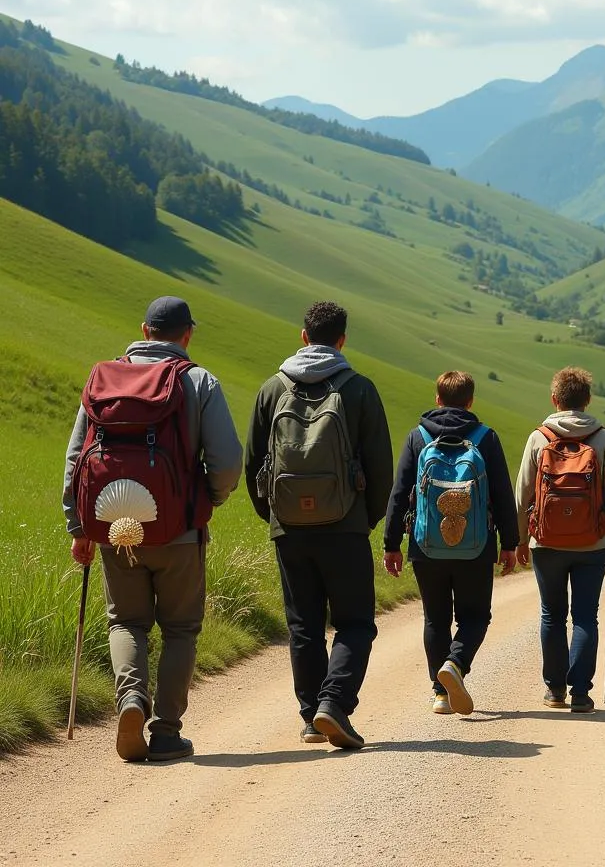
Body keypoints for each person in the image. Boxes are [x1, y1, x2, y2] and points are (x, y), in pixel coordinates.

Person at [63, 296, 243, 762]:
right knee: (181, 628)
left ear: (144, 331)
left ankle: (130, 701)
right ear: (187, 334)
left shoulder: (103, 378)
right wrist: (204, 502)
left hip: (112, 529)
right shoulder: (199, 381)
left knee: (126, 621)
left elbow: (76, 458)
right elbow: (226, 463)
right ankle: (165, 732)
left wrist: (79, 526)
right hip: (178, 531)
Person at [245, 301, 393, 749]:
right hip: (345, 526)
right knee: (355, 623)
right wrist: (362, 519)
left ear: (303, 336)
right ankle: (335, 703)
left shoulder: (272, 389)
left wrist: (275, 514)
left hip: (289, 527)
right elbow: (381, 467)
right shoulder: (360, 389)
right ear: (342, 340)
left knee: (304, 626)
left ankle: (311, 717)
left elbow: (254, 462)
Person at [382, 371, 518, 715]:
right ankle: (455, 664)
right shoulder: (486, 438)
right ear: (470, 401)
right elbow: (502, 493)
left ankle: (440, 694)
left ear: (437, 398)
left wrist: (391, 543)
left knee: (435, 619)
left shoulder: (419, 437)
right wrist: (510, 543)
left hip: (426, 543)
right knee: (476, 617)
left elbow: (400, 493)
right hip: (477, 544)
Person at [515, 367, 605, 713]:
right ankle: (581, 692)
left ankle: (555, 690)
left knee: (551, 615)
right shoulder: (603, 439)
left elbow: (522, 495)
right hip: (593, 543)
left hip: (546, 543)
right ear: (587, 400)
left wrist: (519, 539)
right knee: (584, 616)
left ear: (555, 399)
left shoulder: (539, 438)